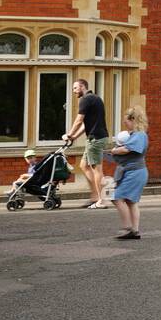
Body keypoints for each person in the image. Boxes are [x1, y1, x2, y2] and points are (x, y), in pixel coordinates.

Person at [63, 79, 110, 208]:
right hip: (96, 138)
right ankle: (95, 196)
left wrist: (68, 134)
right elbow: (85, 125)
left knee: (96, 169)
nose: (74, 91)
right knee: (84, 165)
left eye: (75, 88)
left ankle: (101, 200)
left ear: (82, 86)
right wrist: (73, 137)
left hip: (95, 138)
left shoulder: (85, 99)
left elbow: (79, 120)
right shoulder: (95, 98)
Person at [107, 106, 149, 239]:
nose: (125, 124)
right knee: (131, 201)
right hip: (134, 171)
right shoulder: (136, 135)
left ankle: (127, 228)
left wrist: (114, 151)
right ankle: (134, 230)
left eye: (127, 121)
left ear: (134, 120)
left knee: (117, 197)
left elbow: (127, 150)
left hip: (134, 172)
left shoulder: (139, 135)